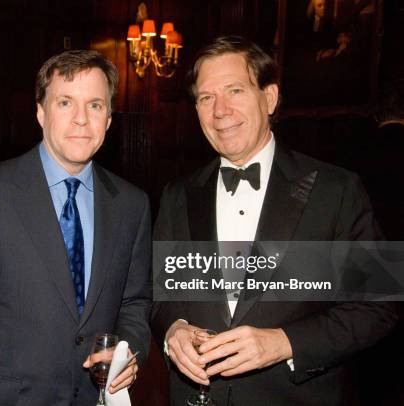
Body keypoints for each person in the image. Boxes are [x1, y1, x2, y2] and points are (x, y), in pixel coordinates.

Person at [151, 36, 397, 405]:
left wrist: (284, 342)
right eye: (206, 97)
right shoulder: (177, 194)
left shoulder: (337, 189)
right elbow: (159, 295)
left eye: (235, 90)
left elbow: (382, 304)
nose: (220, 110)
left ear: (269, 98)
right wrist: (174, 328)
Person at [0, 50, 152, 405]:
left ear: (108, 119)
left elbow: (135, 302)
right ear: (41, 112)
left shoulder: (132, 204)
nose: (81, 119)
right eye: (65, 103)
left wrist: (126, 351)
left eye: (95, 105)